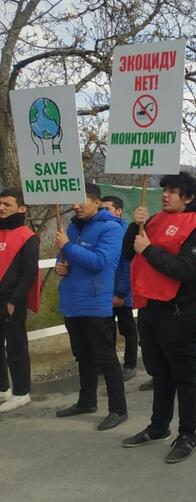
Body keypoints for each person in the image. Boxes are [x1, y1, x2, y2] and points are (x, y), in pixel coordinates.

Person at [121, 172, 196, 464]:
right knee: (159, 373)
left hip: (180, 312)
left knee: (185, 376)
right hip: (150, 308)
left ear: (188, 197)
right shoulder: (154, 220)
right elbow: (128, 253)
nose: (165, 195)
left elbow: (185, 270)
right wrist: (134, 226)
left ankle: (188, 434)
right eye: (164, 189)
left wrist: (149, 249)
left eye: (173, 191)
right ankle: (159, 426)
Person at [54, 182, 127, 431]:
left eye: (81, 200)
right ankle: (86, 402)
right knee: (83, 356)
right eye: (73, 201)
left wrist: (67, 246)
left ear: (96, 202)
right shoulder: (72, 227)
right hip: (72, 302)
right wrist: (60, 265)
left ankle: (118, 409)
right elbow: (64, 257)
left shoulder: (111, 228)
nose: (75, 206)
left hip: (96, 303)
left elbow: (100, 261)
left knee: (106, 358)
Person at [0, 189, 39, 413]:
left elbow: (30, 273)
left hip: (12, 300)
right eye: (0, 203)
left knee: (16, 346)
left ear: (22, 208)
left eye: (7, 204)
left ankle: (22, 392)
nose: (1, 207)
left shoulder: (27, 236)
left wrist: (14, 299)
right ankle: (3, 388)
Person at [100, 195, 137, 381]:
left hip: (122, 293)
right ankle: (109, 364)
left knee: (127, 329)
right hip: (104, 292)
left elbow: (128, 265)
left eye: (107, 209)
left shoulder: (126, 232)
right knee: (107, 330)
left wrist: (121, 293)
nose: (103, 212)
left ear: (118, 211)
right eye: (101, 209)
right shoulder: (101, 230)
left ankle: (130, 364)